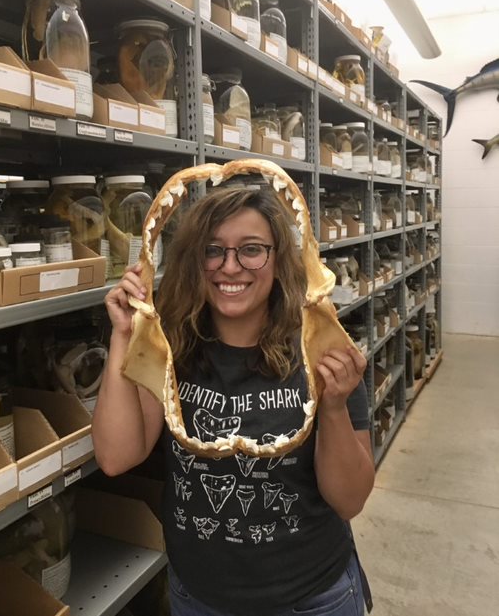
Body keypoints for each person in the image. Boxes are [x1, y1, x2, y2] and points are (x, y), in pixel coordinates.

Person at [93, 184, 375, 616]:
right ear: (193, 260)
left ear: (279, 258)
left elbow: (350, 500)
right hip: (200, 599)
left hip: (311, 599)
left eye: (251, 250)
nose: (230, 267)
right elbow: (116, 457)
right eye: (213, 250)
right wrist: (124, 337)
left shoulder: (319, 349)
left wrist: (333, 407)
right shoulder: (171, 349)